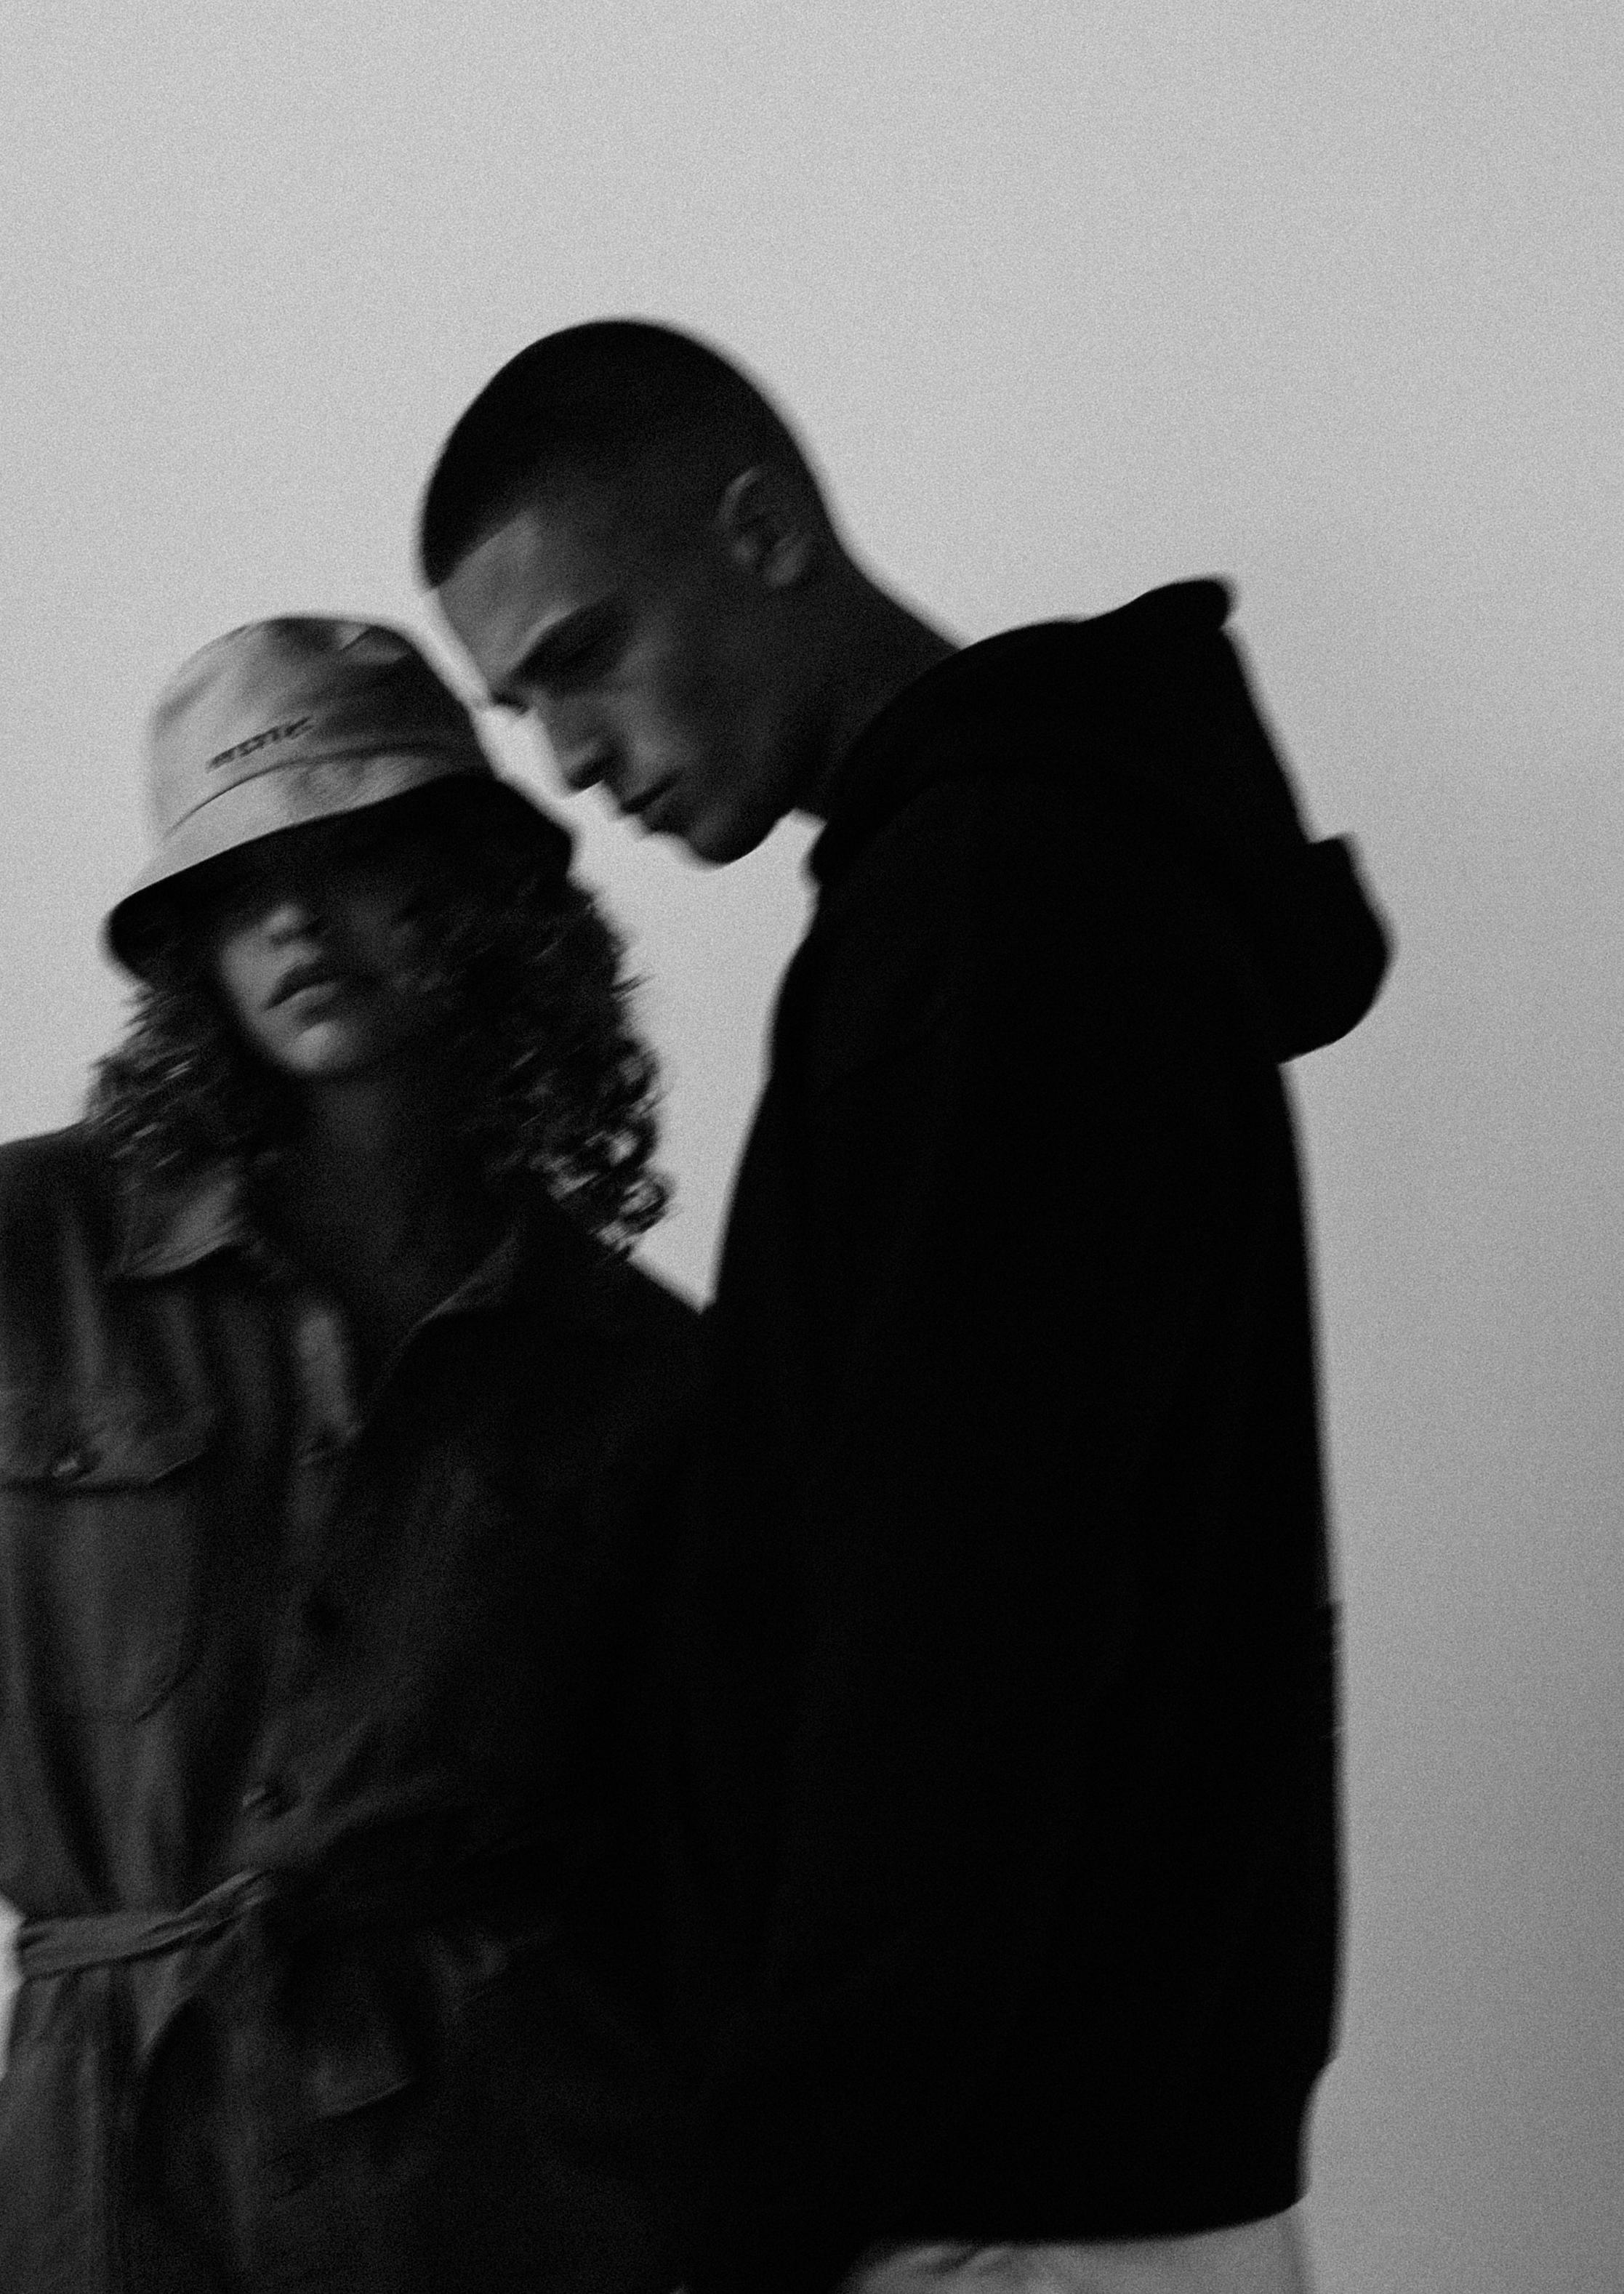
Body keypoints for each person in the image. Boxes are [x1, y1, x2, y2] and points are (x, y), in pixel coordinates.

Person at [419, 321, 1392, 2294]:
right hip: (1044, 2157)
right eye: (521, 713)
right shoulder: (999, 885)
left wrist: (776, 2185)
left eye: (584, 655)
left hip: (996, 2190)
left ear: (760, 531)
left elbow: (965, 1617)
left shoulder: (994, 914)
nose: (571, 758)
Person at [0, 616, 699, 2293]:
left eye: (351, 855)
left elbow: (686, 1852)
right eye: (237, 883)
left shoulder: (635, 1366)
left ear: (469, 884)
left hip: (501, 2178)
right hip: (109, 2179)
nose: (295, 919)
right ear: (188, 944)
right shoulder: (30, 1257)